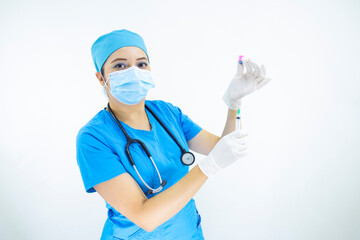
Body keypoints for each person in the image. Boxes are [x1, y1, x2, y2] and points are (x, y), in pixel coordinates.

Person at [76, 29, 270, 240]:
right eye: (120, 65)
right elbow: (145, 217)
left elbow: (224, 148)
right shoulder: (93, 138)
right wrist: (208, 166)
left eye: (141, 64)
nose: (134, 71)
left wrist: (234, 104)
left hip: (189, 233)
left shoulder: (166, 113)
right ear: (100, 77)